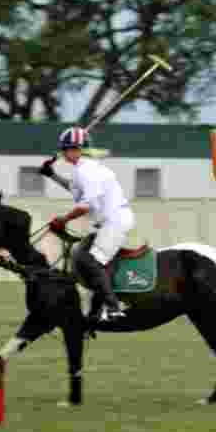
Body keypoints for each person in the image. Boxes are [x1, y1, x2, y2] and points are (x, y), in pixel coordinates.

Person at [39, 127, 134, 323]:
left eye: (66, 149)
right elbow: (76, 190)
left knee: (91, 261)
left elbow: (86, 205)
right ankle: (94, 312)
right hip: (105, 222)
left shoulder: (87, 171)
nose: (63, 153)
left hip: (114, 221)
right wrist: (52, 174)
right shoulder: (82, 169)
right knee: (79, 255)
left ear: (77, 149)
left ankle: (114, 308)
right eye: (63, 149)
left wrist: (63, 220)